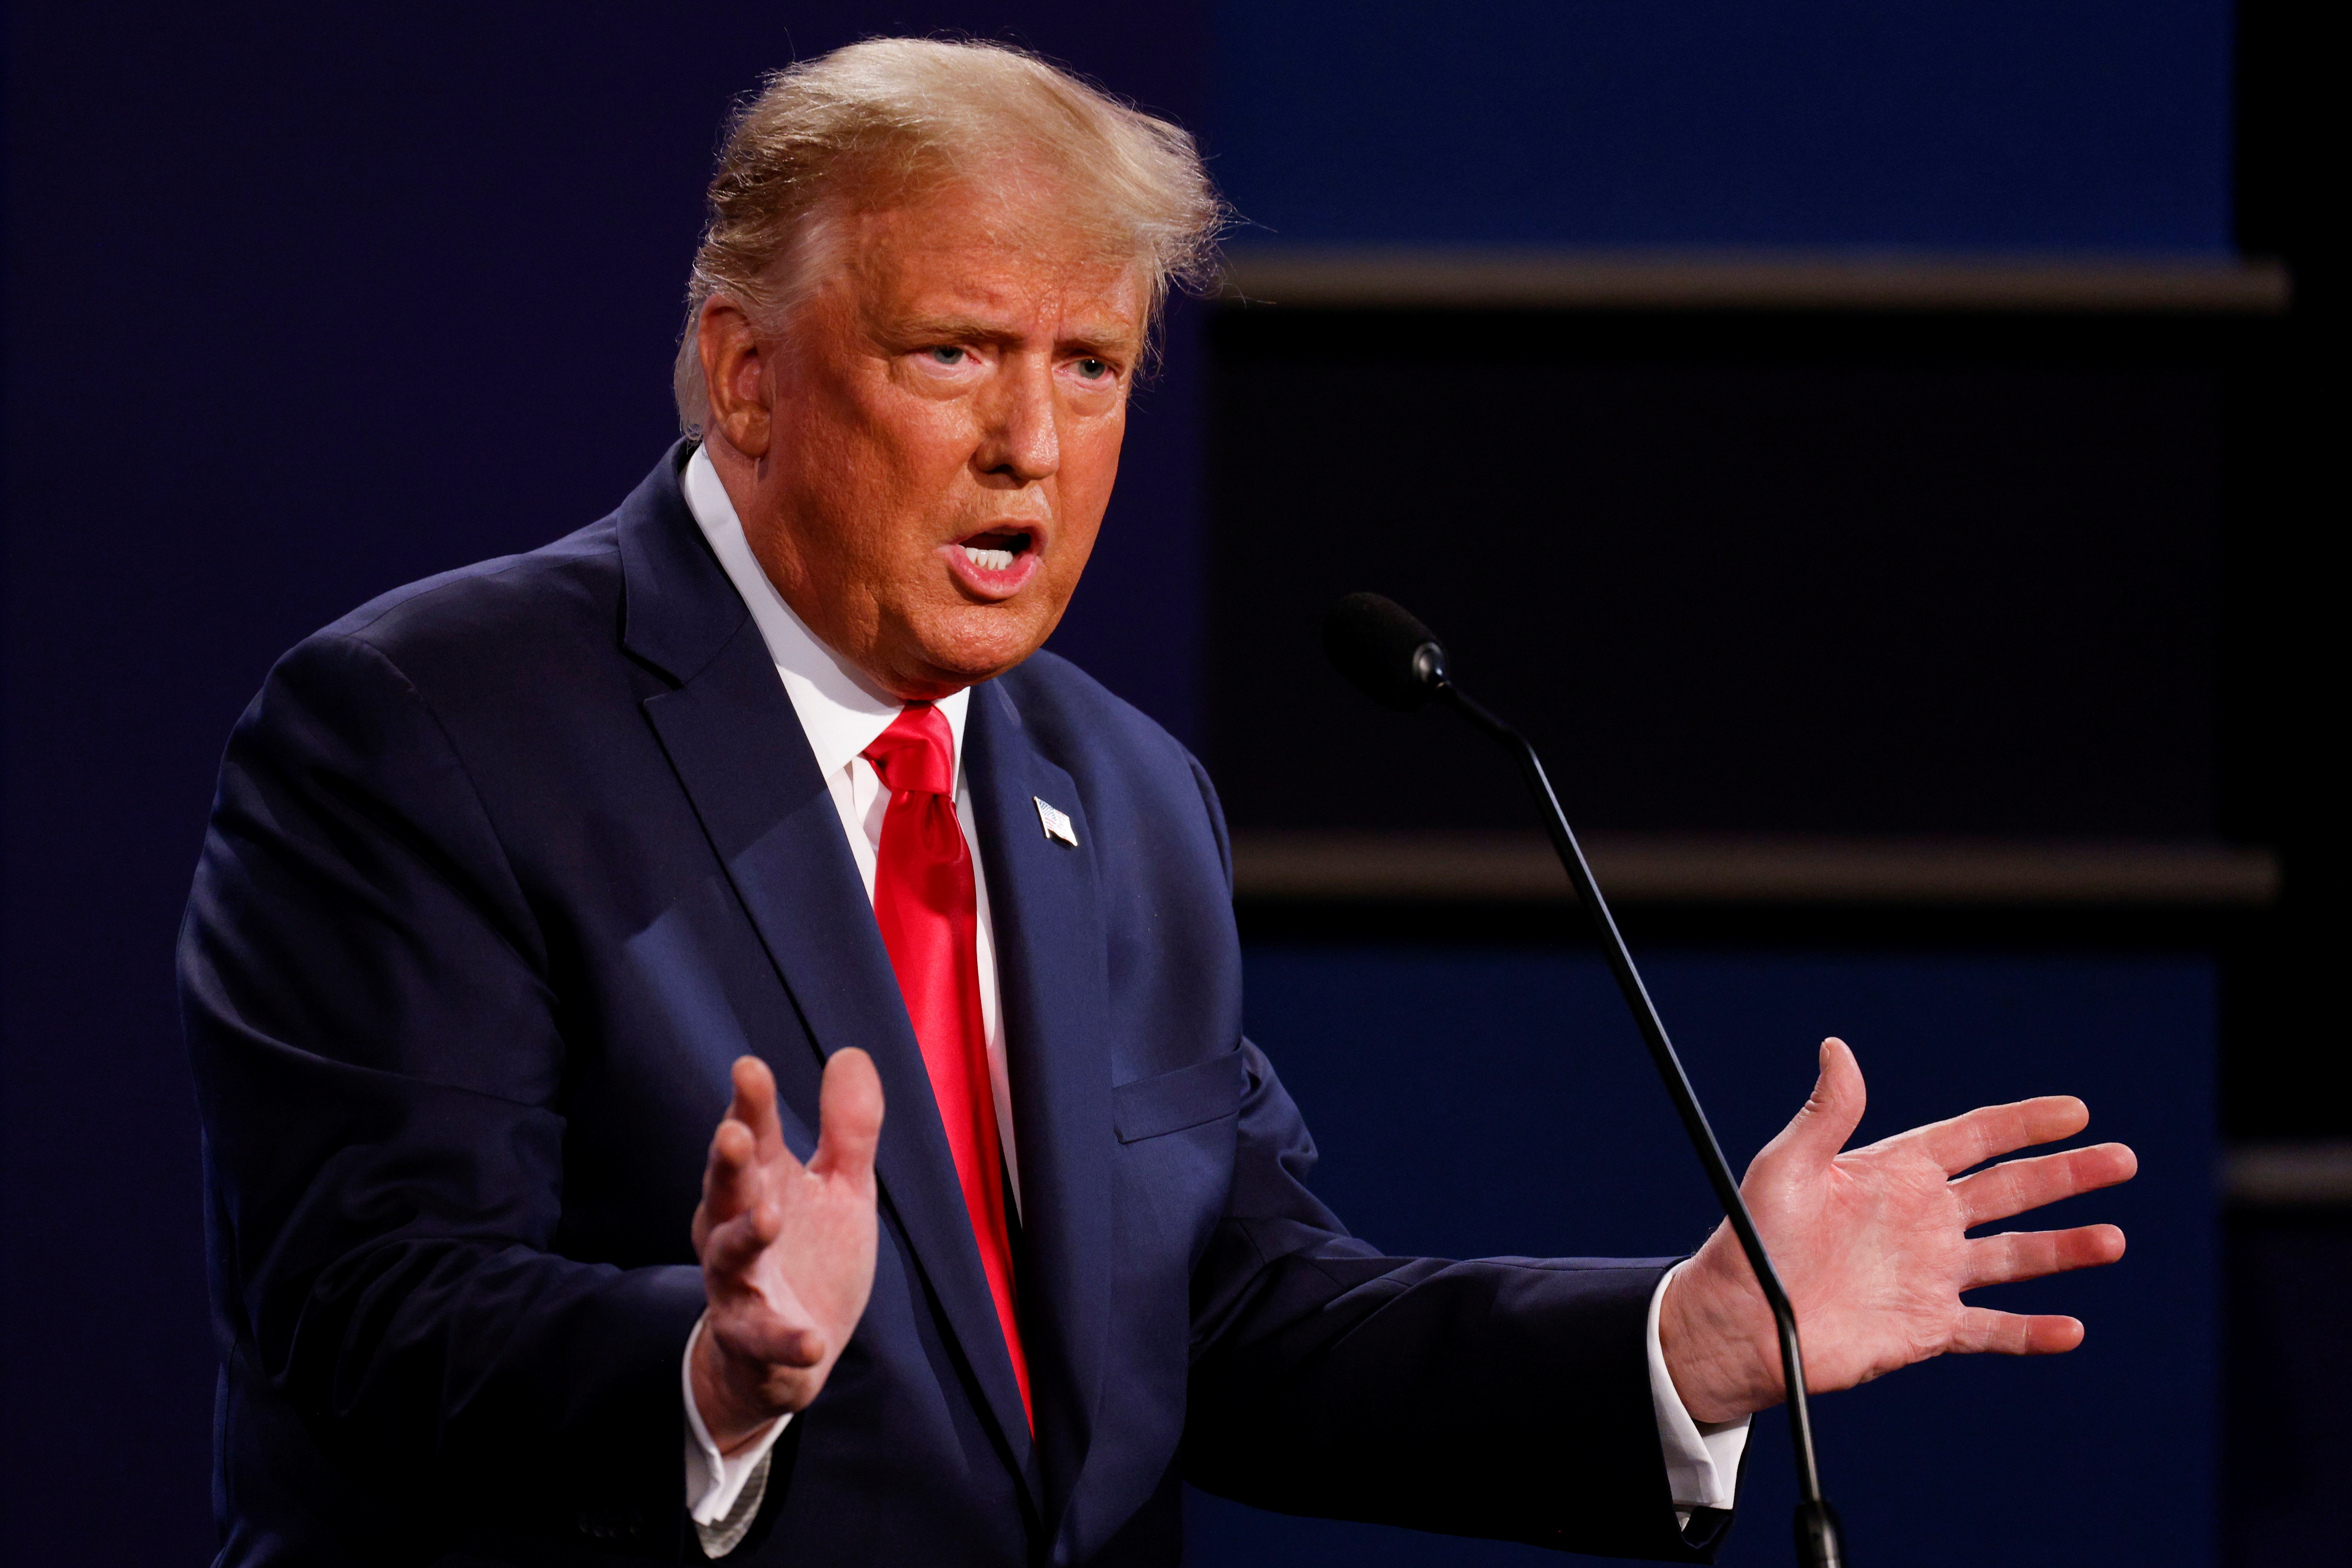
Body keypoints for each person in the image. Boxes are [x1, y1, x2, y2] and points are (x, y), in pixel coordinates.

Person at [180, 38, 2136, 1566]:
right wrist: (707, 1363)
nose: (1033, 440)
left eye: (1095, 363)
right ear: (747, 375)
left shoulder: (1118, 792)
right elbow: (370, 1316)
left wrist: (1690, 1336)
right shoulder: (423, 726)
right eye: (956, 352)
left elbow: (1236, 1311)